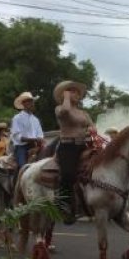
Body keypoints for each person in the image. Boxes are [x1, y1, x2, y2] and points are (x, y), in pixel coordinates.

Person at [54, 80, 95, 225]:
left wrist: (91, 130)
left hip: (83, 146)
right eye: (72, 91)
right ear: (65, 94)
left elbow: (92, 126)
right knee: (68, 174)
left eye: (77, 92)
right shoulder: (60, 108)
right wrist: (65, 97)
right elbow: (65, 111)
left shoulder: (83, 113)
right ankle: (63, 205)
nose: (77, 94)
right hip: (67, 146)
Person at [10, 91, 44, 170]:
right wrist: (35, 139)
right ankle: (18, 181)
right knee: (23, 167)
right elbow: (18, 137)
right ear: (23, 103)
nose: (32, 103)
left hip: (36, 146)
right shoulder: (17, 118)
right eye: (29, 101)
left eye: (32, 101)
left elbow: (40, 135)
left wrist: (40, 140)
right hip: (22, 147)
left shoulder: (36, 119)